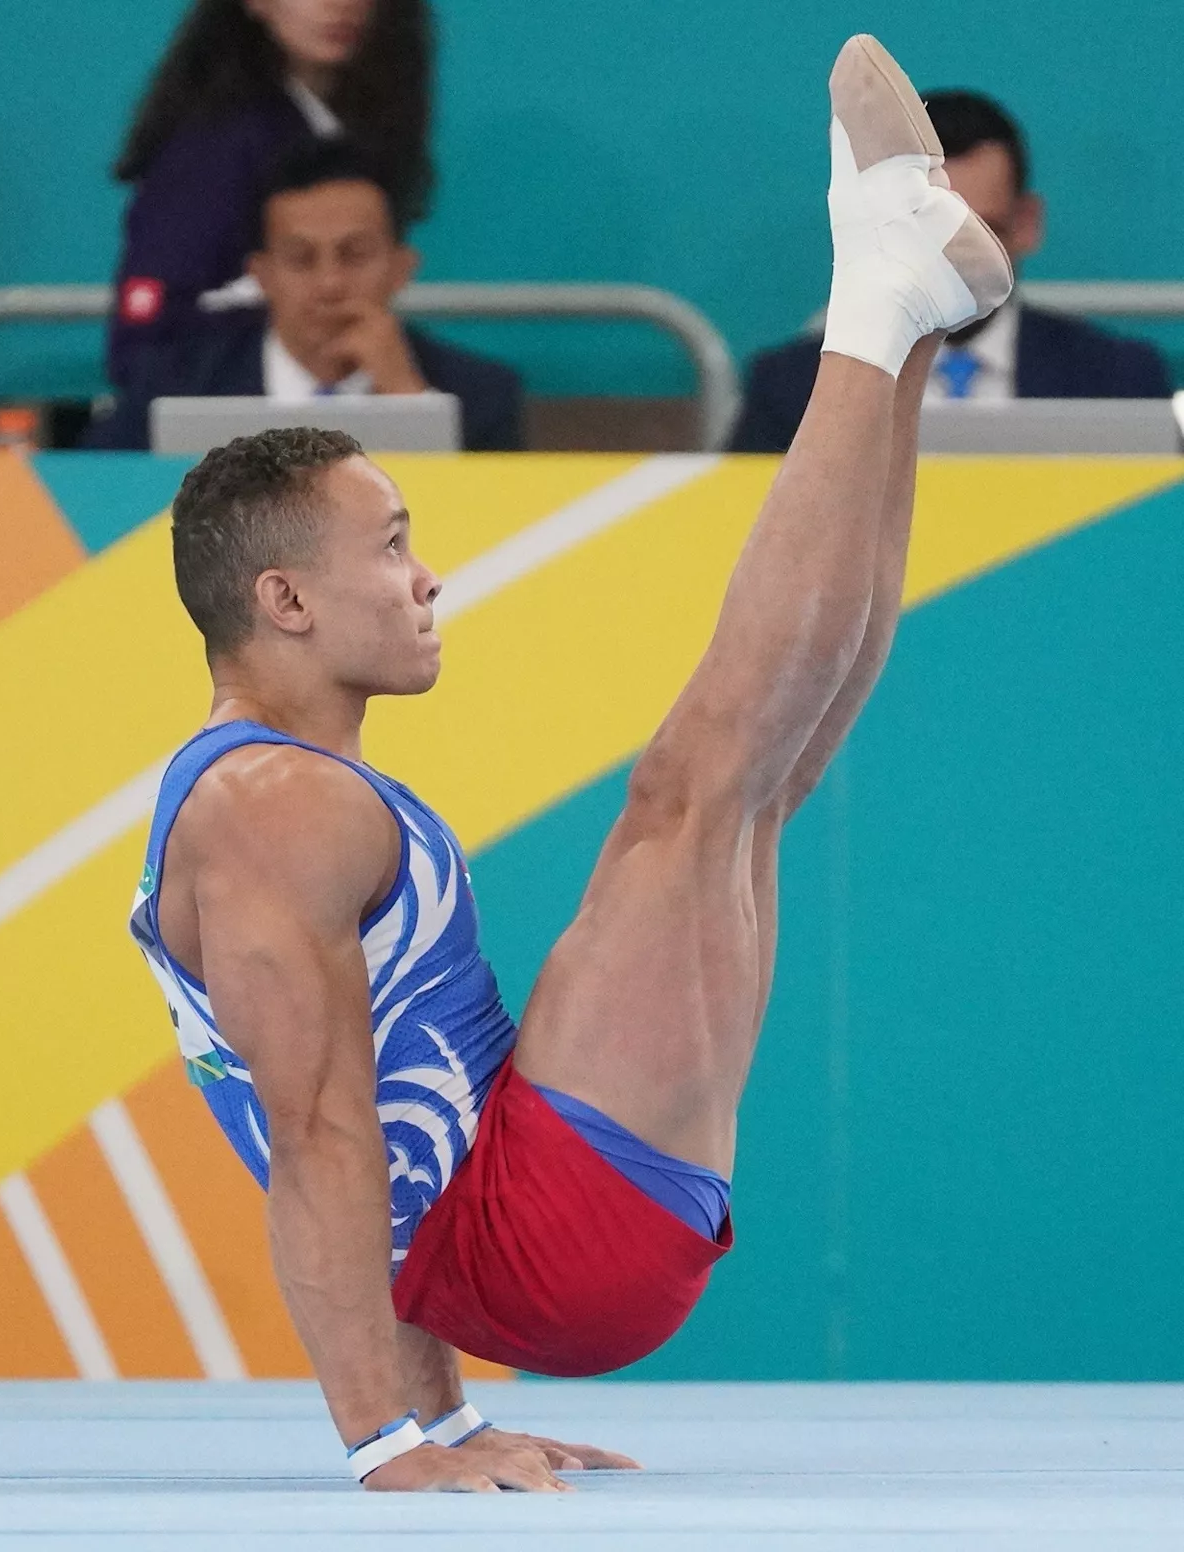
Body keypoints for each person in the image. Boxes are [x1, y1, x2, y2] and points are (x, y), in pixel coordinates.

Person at [128, 37, 1011, 1490]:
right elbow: (321, 1132)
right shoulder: (268, 805)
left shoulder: (286, 794)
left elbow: (377, 1147)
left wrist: (457, 1415)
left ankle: (907, 334)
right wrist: (391, 1442)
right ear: (282, 601)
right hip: (546, 1230)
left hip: (537, 1226)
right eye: (393, 543)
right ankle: (882, 299)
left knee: (759, 782)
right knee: (694, 789)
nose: (428, 580)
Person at [730, 89, 1171, 453]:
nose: (955, 261)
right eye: (930, 232)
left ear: (1027, 224)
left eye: (983, 231)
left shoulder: (1119, 380)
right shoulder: (793, 392)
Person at [85, 139, 523, 452]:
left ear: (400, 268)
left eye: (354, 254)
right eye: (301, 258)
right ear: (261, 274)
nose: (330, 283)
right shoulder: (174, 387)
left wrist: (409, 402)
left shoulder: (481, 399)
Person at [108, 0, 433, 392]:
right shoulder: (211, 147)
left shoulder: (366, 130)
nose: (340, 6)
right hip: (228, 420)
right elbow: (141, 346)